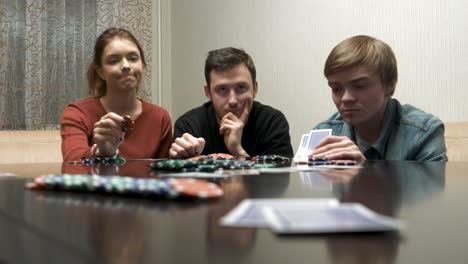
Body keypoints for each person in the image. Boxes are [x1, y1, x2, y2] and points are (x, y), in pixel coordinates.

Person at [311, 35, 447, 162]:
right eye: (336, 89)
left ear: (389, 85)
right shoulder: (324, 133)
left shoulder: (422, 133)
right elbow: (309, 186)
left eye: (359, 86)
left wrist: (364, 174)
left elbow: (431, 187)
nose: (345, 98)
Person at [60, 27, 172, 161]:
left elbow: (164, 172)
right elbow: (72, 163)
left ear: (142, 65)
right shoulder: (77, 114)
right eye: (114, 61)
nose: (126, 65)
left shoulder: (160, 117)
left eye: (133, 58)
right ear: (101, 72)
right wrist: (101, 153)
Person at [170, 47, 293, 159]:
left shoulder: (272, 122)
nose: (233, 100)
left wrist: (238, 151)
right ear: (208, 93)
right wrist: (183, 159)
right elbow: (179, 181)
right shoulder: (189, 125)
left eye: (241, 87)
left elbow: (279, 181)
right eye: (222, 89)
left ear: (255, 89)